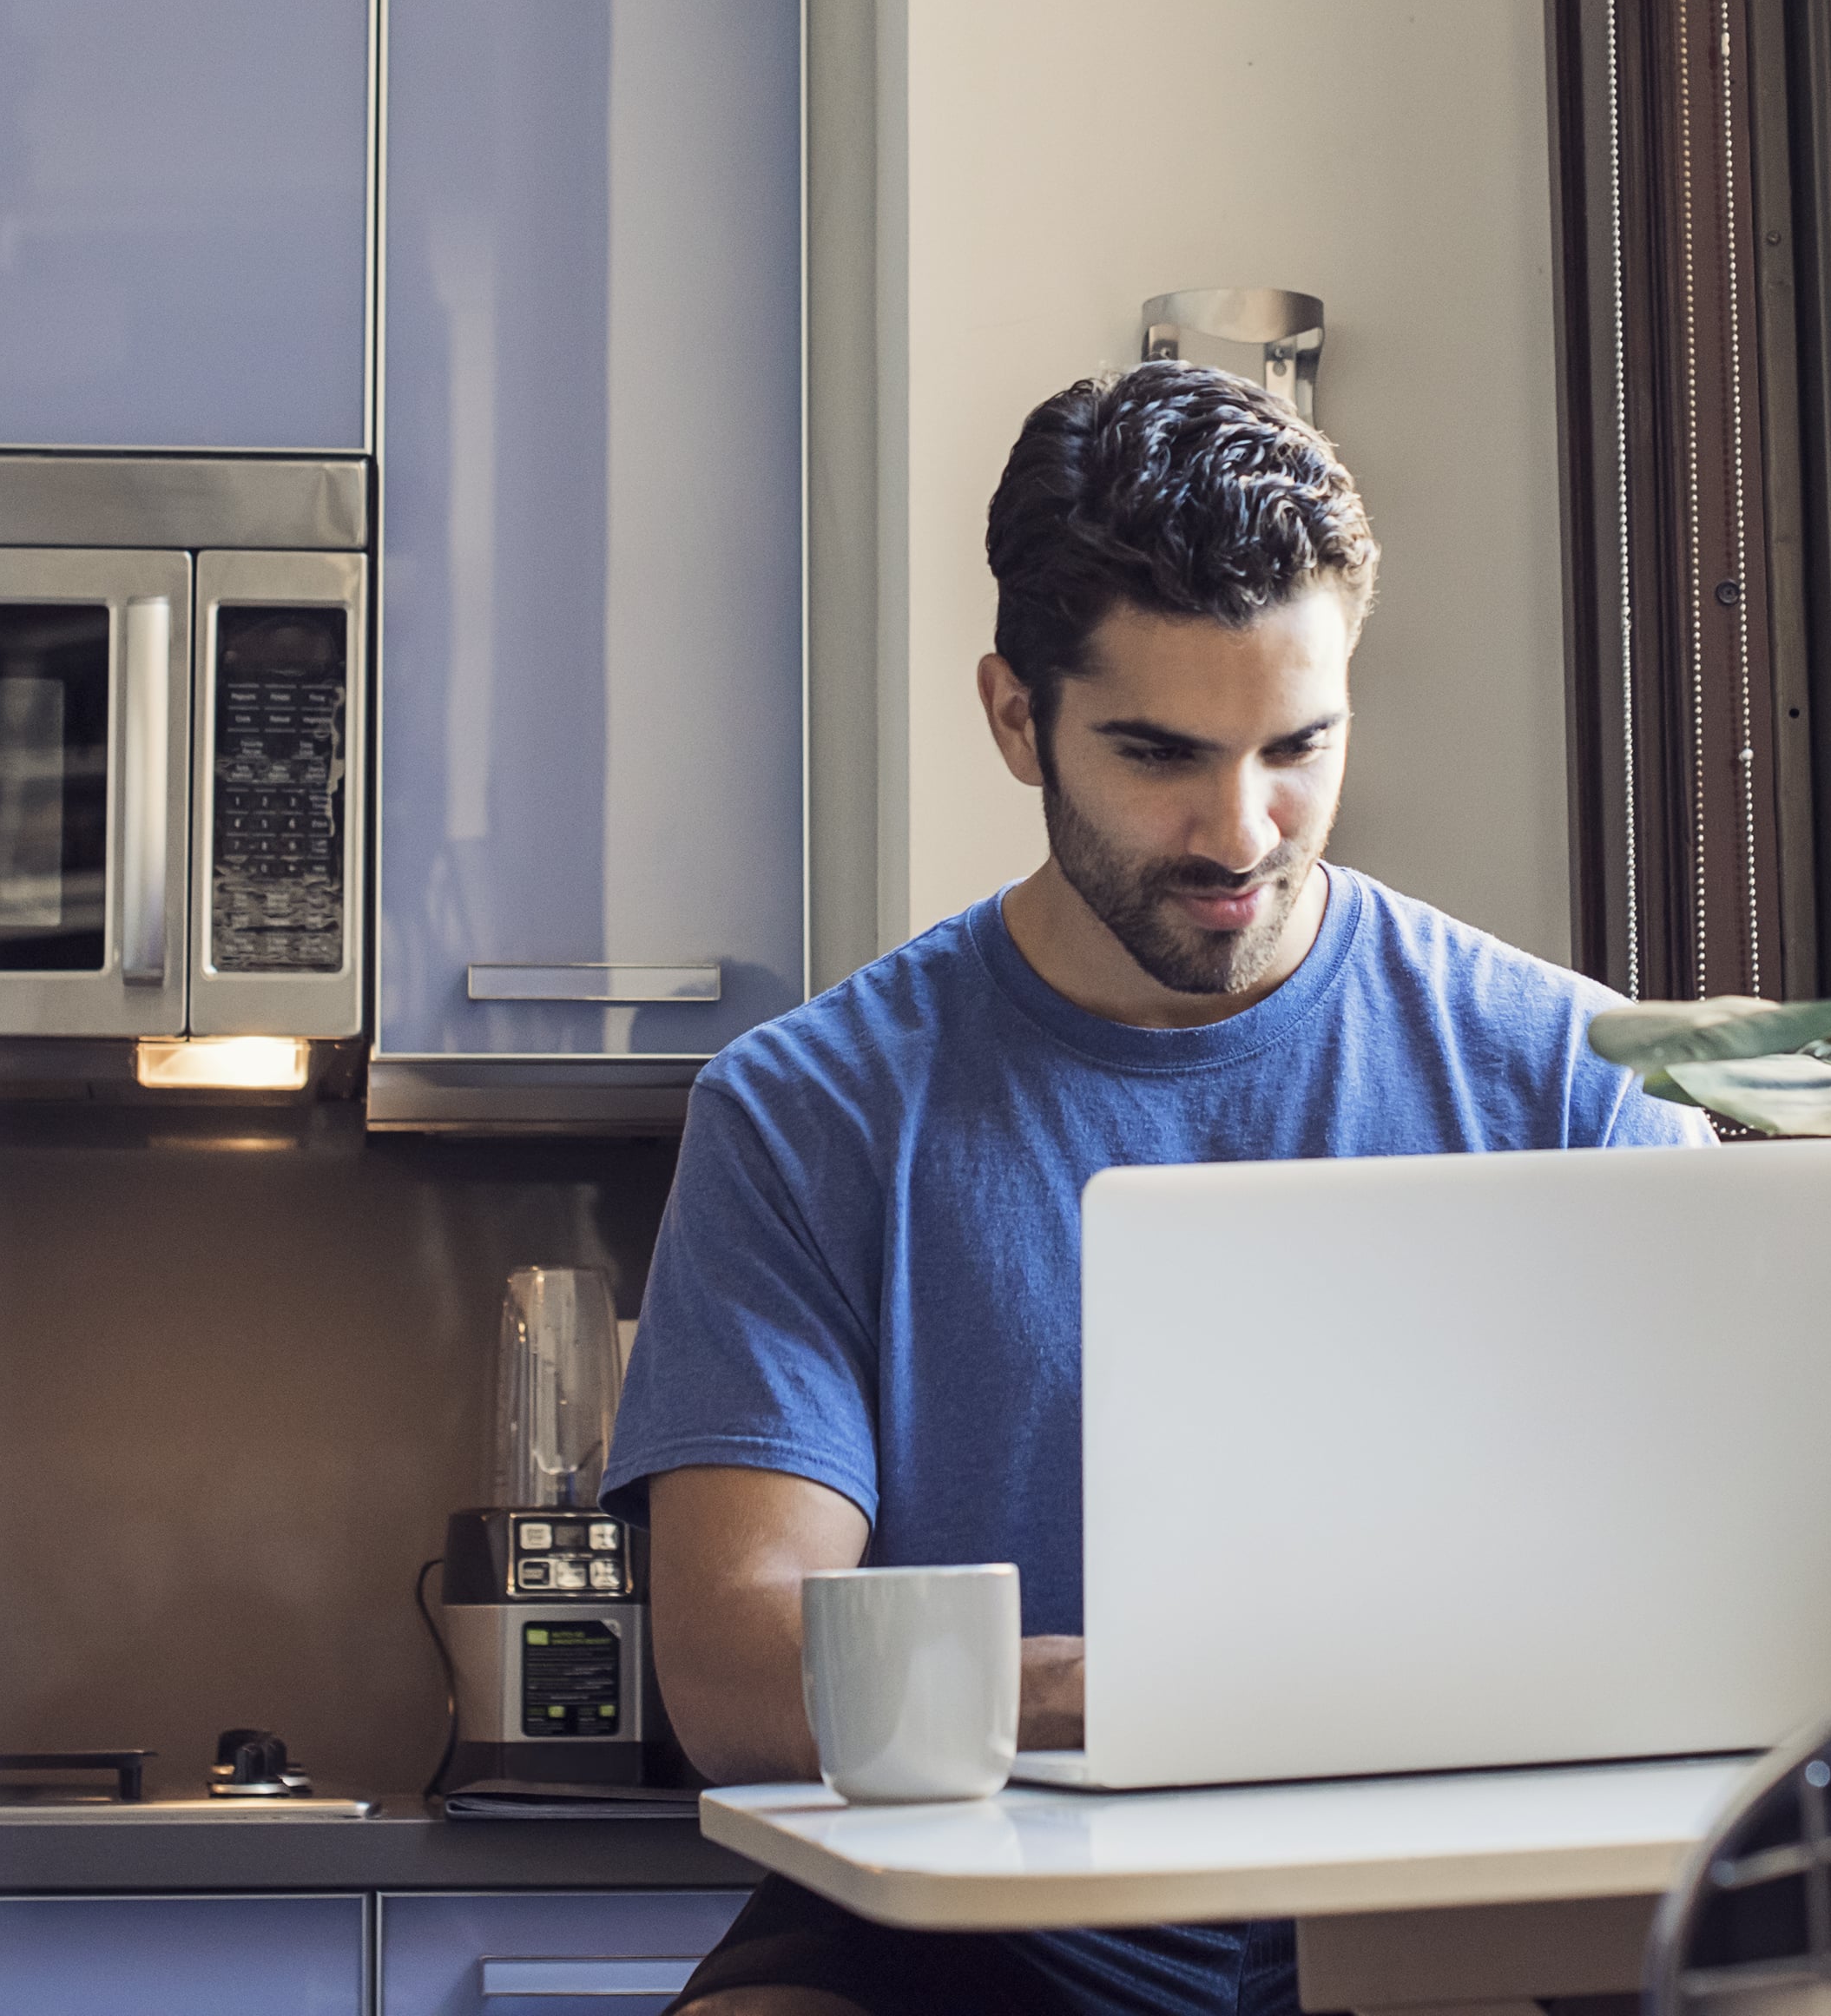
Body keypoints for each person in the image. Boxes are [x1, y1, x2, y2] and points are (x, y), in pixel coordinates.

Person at [605, 362, 1702, 2016]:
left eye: (1297, 746)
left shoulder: (1571, 1075)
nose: (1240, 830)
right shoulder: (806, 1114)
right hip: (973, 1925)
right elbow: (740, 1670)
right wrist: (1119, 1694)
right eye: (1157, 753)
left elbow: (1694, 1586)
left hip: (1453, 1894)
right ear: (1011, 716)